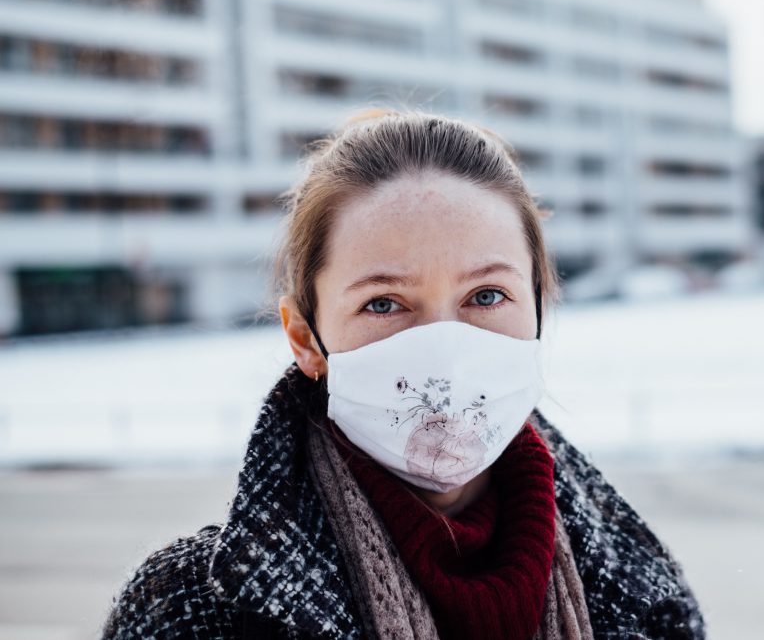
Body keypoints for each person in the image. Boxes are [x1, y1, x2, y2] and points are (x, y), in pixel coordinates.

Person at [101, 109, 707, 639]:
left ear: (541, 307)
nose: (443, 351)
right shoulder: (191, 610)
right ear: (305, 339)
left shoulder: (642, 586)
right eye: (384, 303)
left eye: (488, 295)